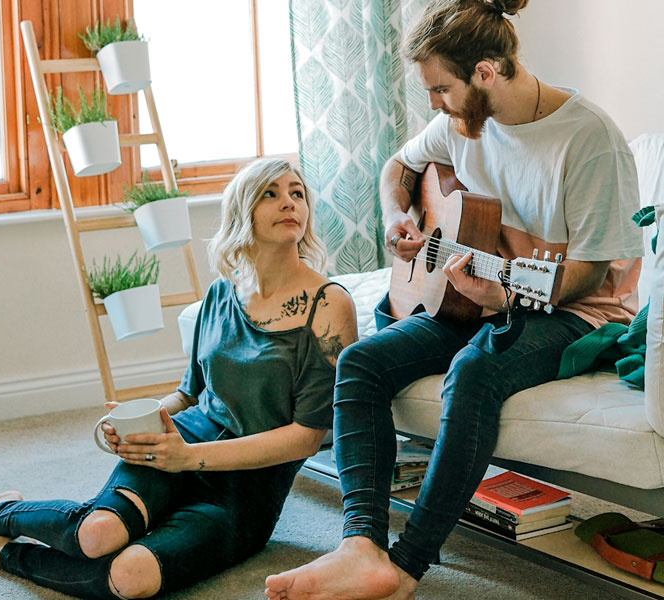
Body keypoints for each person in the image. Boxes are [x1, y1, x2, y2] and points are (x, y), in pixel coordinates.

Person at [265, 0, 644, 599]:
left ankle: (406, 566)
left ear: (487, 74)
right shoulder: (462, 124)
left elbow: (588, 275)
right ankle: (361, 544)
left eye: (441, 89)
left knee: (472, 373)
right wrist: (397, 217)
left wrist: (505, 289)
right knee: (361, 362)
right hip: (476, 299)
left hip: (574, 312)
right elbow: (398, 165)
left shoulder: (588, 139)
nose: (433, 104)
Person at [0, 158, 358, 600]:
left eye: (297, 193)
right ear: (243, 212)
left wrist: (188, 458)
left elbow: (307, 437)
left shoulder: (328, 305)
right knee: (97, 536)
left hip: (244, 489)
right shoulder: (220, 292)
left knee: (130, 577)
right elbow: (188, 393)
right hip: (177, 444)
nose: (289, 202)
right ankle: (4, 511)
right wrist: (139, 419)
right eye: (270, 193)